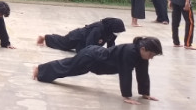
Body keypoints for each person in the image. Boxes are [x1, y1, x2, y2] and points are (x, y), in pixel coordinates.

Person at [33, 36, 162, 105]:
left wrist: (145, 93)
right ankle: (40, 69)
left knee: (68, 65)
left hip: (97, 59)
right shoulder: (130, 52)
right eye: (151, 54)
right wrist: (127, 96)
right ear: (143, 49)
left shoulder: (141, 55)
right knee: (68, 68)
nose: (151, 58)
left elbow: (143, 73)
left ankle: (42, 69)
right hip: (91, 57)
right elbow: (125, 73)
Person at [37, 17, 126, 53]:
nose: (118, 33)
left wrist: (111, 54)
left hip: (84, 42)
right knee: (63, 44)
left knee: (80, 51)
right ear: (113, 27)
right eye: (118, 31)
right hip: (77, 36)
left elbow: (111, 44)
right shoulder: (99, 29)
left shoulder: (112, 32)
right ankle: (45, 37)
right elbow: (89, 43)